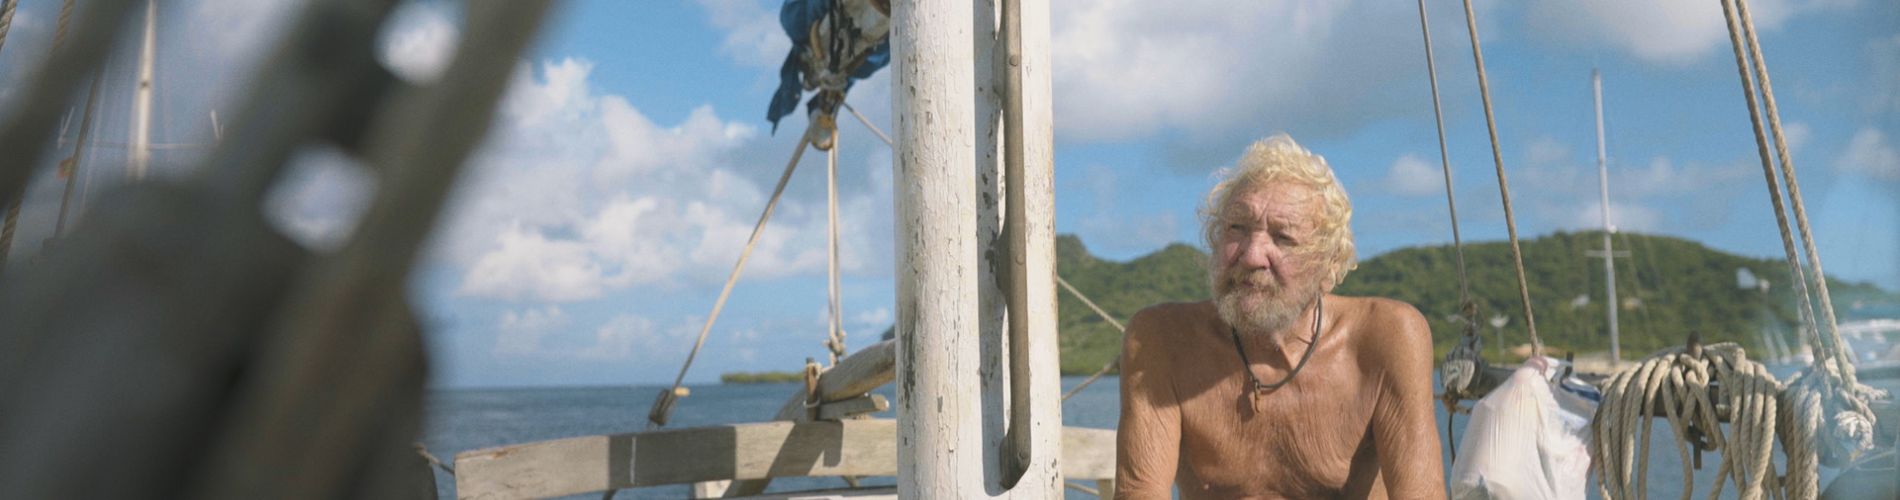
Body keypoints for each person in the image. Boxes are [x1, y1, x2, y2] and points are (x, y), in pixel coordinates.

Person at [1115, 135, 1445, 499]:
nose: (1251, 256)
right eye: (1236, 229)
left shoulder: (1386, 338)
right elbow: (1140, 491)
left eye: (1283, 238)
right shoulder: (1162, 341)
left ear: (1328, 266)